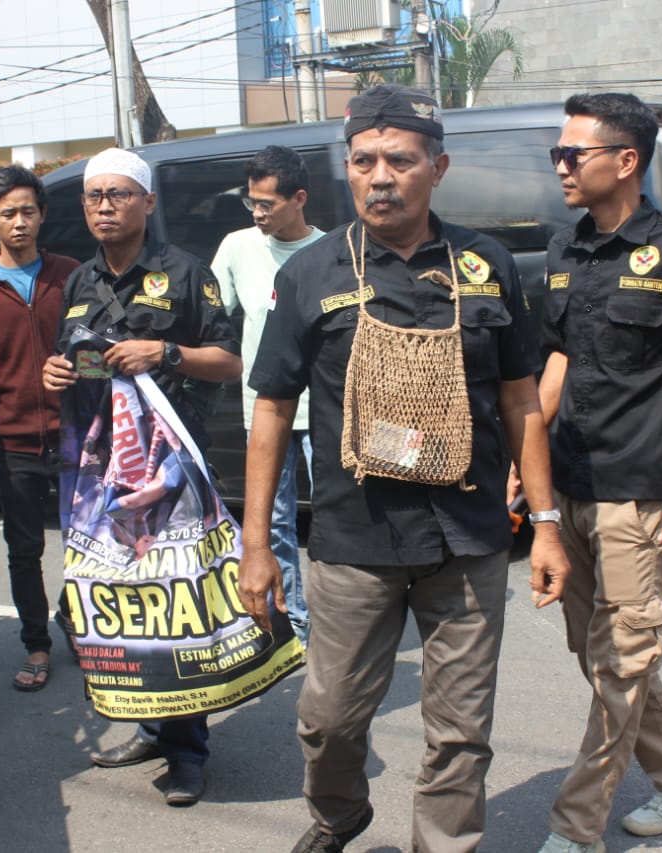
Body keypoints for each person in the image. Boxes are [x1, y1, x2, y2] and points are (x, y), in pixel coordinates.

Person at [237, 85, 569, 853]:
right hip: (356, 537)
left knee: (460, 732)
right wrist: (257, 545)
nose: (379, 176)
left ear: (437, 167)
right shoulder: (315, 271)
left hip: (470, 535)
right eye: (363, 161)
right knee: (328, 719)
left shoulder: (483, 265)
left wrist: (545, 524)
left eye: (399, 160)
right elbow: (272, 411)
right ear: (345, 170)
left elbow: (522, 401)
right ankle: (338, 814)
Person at [532, 93, 662, 853]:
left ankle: (575, 827)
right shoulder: (566, 249)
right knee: (595, 650)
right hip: (571, 483)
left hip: (643, 487)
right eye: (557, 153)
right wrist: (530, 462)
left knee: (620, 659)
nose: (560, 166)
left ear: (626, 160)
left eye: (571, 154)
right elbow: (558, 359)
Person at [41, 147, 241, 807]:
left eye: (118, 194)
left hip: (169, 473)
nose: (104, 205)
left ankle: (188, 752)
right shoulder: (78, 283)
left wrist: (170, 351)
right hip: (100, 479)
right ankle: (150, 724)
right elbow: (78, 363)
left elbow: (229, 360)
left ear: (147, 203)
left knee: (177, 608)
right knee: (129, 610)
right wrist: (58, 373)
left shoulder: (185, 274)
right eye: (94, 195)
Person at [0, 165, 80, 692]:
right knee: (24, 548)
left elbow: (93, 341)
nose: (20, 222)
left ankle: (80, 621)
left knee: (90, 542)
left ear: (43, 215)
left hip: (77, 436)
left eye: (29, 211)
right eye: (9, 214)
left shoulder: (70, 274)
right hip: (13, 438)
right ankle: (36, 644)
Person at [210, 145, 324, 645]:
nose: (257, 213)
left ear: (298, 199)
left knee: (339, 517)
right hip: (265, 408)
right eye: (251, 202)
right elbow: (212, 321)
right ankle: (294, 619)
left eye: (267, 204)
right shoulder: (236, 248)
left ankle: (346, 614)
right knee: (274, 522)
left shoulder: (332, 251)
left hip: (325, 409)